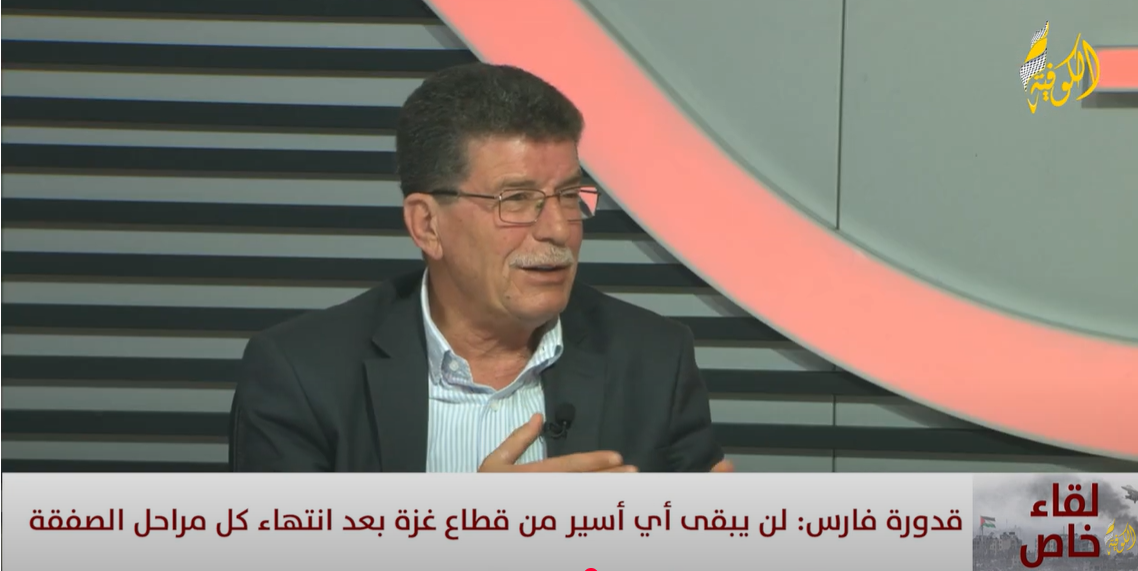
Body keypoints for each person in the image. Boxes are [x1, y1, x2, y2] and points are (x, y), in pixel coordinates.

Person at [229, 62, 731, 473]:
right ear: (427, 225)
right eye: (517, 199)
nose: (559, 229)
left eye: (568, 195)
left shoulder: (653, 361)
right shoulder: (304, 374)